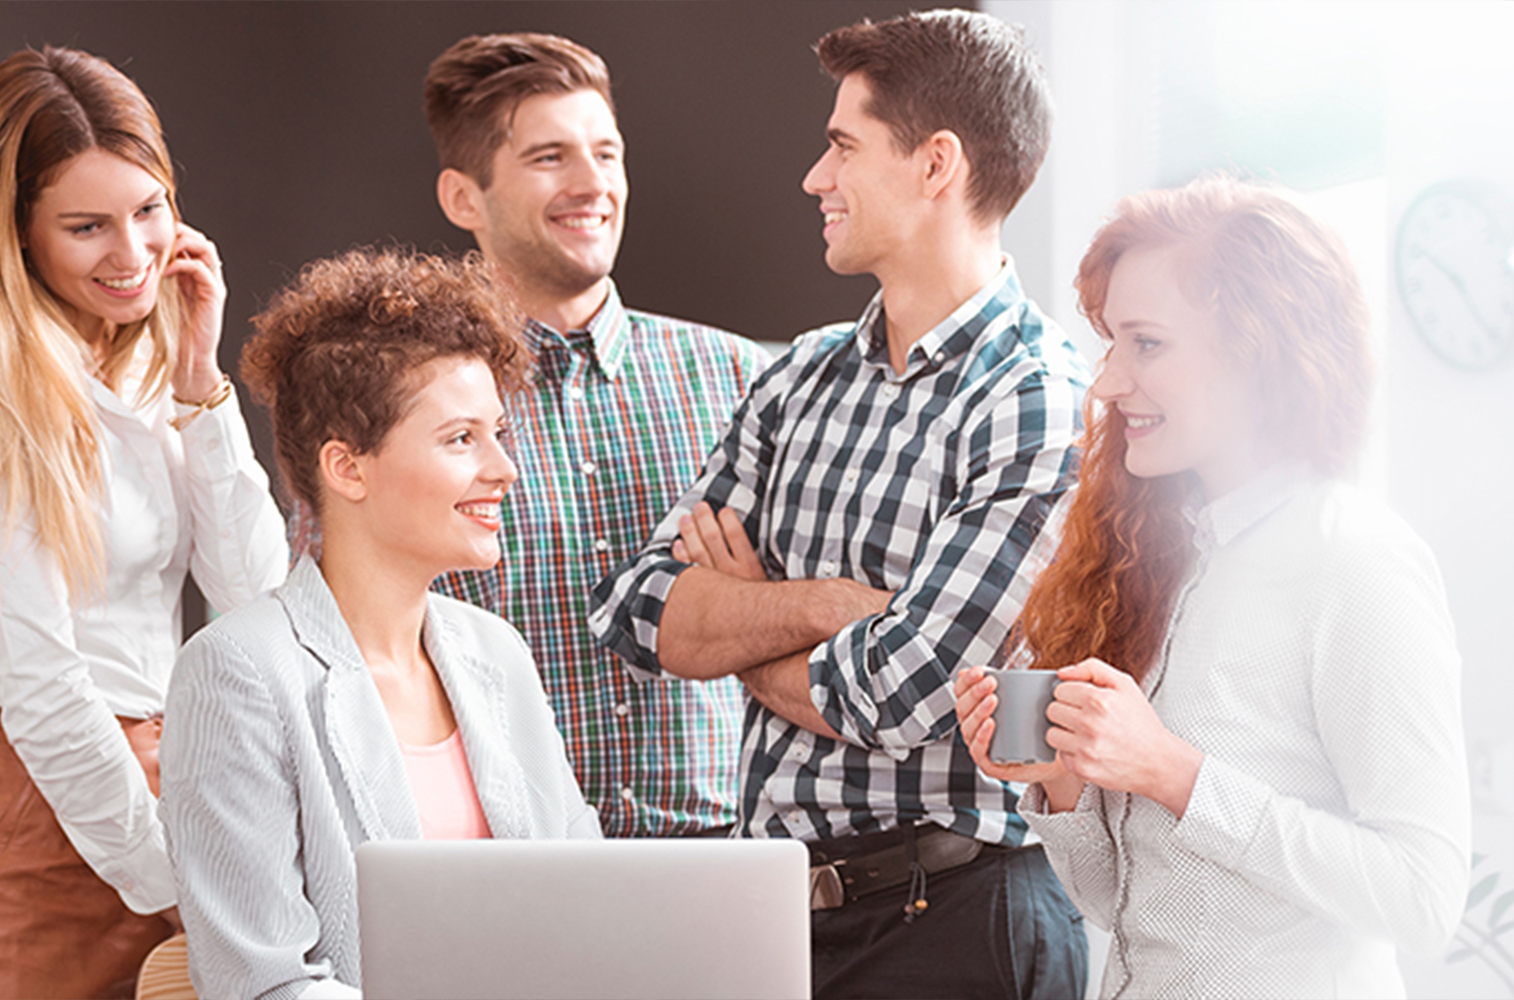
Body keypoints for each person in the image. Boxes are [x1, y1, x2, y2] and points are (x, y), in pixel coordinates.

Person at [591, 10, 1088, 998]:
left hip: (956, 923)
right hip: (770, 925)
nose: (815, 179)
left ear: (934, 164)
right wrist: (822, 608)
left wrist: (740, 625)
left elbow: (894, 690)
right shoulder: (800, 376)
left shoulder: (1037, 396)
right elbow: (638, 609)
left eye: (842, 147)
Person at [952, 177, 1472, 997]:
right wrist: (1058, 783)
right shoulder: (1166, 558)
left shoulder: (1357, 559)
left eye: (1146, 344)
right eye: (1111, 343)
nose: (1108, 382)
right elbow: (1125, 911)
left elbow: (1422, 896)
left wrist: (1173, 772)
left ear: (1259, 349)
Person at [0, 46, 287, 999]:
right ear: (16, 236)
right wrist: (187, 885)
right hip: (33, 836)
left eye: (149, 211)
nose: (133, 255)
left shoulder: (145, 373)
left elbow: (259, 599)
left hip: (155, 812)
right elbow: (46, 694)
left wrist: (201, 389)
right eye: (88, 226)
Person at [292, 32, 770, 837]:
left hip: (724, 852)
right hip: (506, 862)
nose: (592, 185)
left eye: (607, 154)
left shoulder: (736, 377)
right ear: (462, 198)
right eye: (550, 157)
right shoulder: (397, 407)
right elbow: (334, 646)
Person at [162, 247, 602, 1000]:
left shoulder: (495, 654)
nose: (504, 469)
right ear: (348, 467)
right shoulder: (237, 671)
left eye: (499, 433)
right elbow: (263, 987)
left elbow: (588, 907)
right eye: (462, 438)